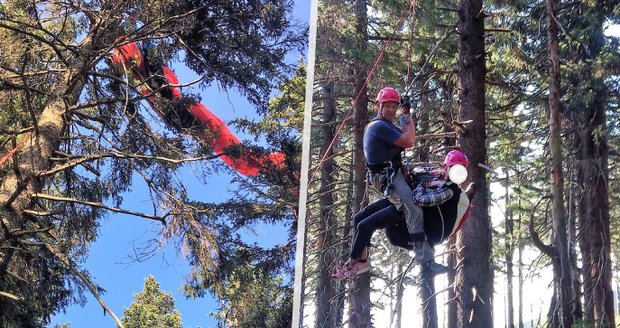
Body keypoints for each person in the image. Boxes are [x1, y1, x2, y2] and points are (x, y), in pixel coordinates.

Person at [332, 87, 448, 280]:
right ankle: (427, 262)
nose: (392, 110)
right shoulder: (379, 127)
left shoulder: (387, 127)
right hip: (391, 178)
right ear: (379, 106)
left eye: (395, 107)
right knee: (414, 209)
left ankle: (361, 260)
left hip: (390, 176)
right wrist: (406, 113)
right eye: (388, 106)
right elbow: (409, 140)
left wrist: (406, 112)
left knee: (362, 218)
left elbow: (406, 133)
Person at [332, 149, 471, 280]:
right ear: (446, 166)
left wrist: (421, 184)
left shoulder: (448, 190)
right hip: (400, 199)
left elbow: (419, 200)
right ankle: (362, 261)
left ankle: (350, 264)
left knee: (365, 226)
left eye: (460, 170)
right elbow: (411, 168)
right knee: (359, 218)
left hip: (408, 211)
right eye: (453, 168)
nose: (455, 173)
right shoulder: (434, 171)